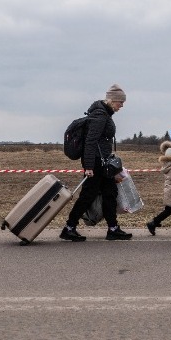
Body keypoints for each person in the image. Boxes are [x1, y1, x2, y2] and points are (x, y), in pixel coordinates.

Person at [60, 84, 133, 241]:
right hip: (96, 164)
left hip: (103, 163)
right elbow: (90, 142)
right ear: (112, 100)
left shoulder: (104, 114)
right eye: (120, 102)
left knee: (110, 194)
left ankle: (113, 229)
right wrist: (88, 166)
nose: (122, 105)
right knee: (87, 196)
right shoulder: (100, 116)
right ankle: (69, 228)